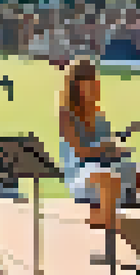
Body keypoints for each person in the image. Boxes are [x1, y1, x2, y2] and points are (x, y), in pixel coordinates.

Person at [58, 59, 135, 230]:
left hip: (104, 169)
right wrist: (105, 147)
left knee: (132, 169)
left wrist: (117, 150)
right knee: (106, 176)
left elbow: (107, 151)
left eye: (94, 79)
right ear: (76, 85)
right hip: (80, 174)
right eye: (89, 80)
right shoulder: (67, 115)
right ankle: (108, 223)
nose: (94, 84)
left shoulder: (99, 115)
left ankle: (114, 219)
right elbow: (81, 152)